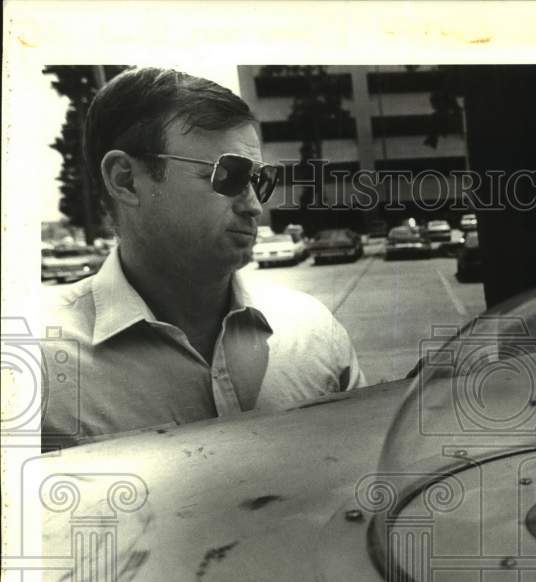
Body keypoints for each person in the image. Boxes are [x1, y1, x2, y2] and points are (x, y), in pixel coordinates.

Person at [42, 67, 365, 448]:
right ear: (126, 179)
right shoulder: (35, 369)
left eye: (261, 181)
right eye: (228, 175)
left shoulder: (314, 332)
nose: (254, 206)